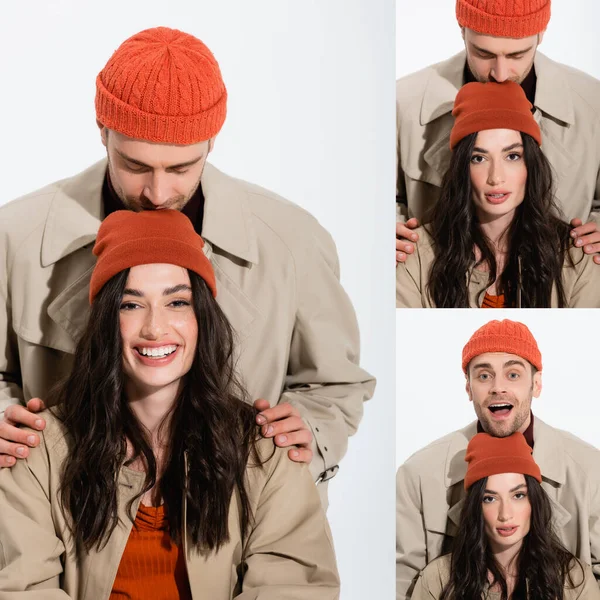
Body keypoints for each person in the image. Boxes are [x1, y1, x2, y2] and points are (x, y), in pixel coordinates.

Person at [0, 27, 375, 503]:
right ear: (102, 130)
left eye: (181, 168)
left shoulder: (292, 240)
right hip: (67, 525)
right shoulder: (13, 236)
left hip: (235, 522)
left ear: (211, 142)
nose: (157, 194)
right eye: (135, 165)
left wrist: (311, 432)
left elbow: (335, 384)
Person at [0, 209, 340, 599]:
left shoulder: (265, 450)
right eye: (130, 305)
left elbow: (294, 587)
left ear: (202, 318)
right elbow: (21, 589)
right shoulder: (36, 450)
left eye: (177, 302)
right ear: (106, 321)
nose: (155, 327)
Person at [396, 319, 600, 599]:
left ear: (536, 384)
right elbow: (401, 583)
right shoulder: (417, 474)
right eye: (483, 376)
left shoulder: (591, 470)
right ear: (468, 388)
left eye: (513, 375)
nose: (497, 388)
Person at [396, 0, 600, 265]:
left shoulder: (593, 103)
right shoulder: (402, 102)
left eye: (517, 55)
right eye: (483, 54)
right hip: (437, 292)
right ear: (461, 28)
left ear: (542, 33)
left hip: (559, 292)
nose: (501, 74)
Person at [396, 81, 600, 308]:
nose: (495, 177)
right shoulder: (415, 258)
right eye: (479, 158)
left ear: (530, 165)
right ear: (462, 169)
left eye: (512, 156)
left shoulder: (577, 258)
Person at [411, 433, 600, 600]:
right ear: (476, 506)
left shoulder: (574, 579)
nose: (505, 514)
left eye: (518, 496)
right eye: (490, 498)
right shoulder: (438, 579)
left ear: (534, 501)